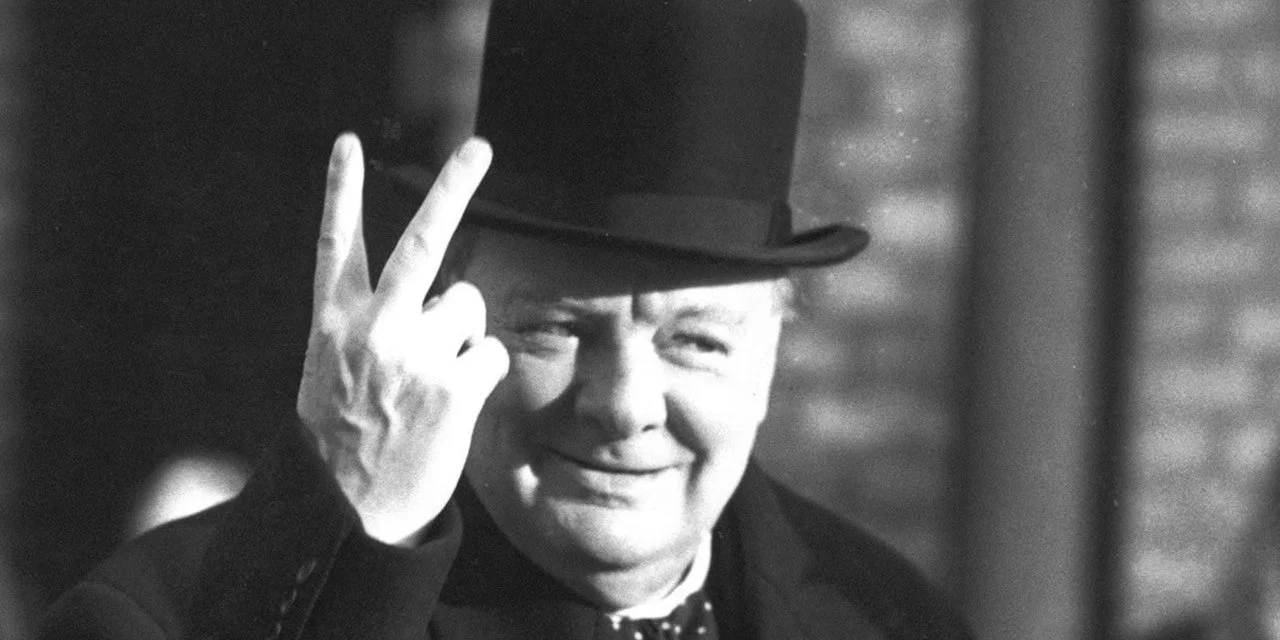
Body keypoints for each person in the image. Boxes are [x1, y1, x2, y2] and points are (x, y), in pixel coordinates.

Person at [41, 1, 973, 638]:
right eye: (557, 328)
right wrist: (349, 551)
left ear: (772, 355)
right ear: (450, 317)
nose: (625, 406)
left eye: (696, 341)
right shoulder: (159, 618)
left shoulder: (892, 618)